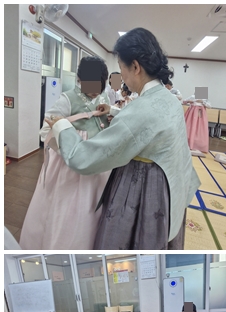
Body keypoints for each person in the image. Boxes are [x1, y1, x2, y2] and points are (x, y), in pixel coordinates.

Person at [44, 28, 200, 250]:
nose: (122, 77)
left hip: (143, 188)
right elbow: (145, 124)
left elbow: (83, 158)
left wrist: (61, 126)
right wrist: (115, 111)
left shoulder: (141, 109)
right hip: (170, 185)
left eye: (121, 69)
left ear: (135, 67)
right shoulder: (168, 99)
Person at [20, 56, 111, 250]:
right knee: (69, 208)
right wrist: (68, 143)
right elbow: (46, 130)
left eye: (99, 85)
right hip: (70, 164)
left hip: (97, 160)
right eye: (90, 84)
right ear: (80, 79)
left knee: (94, 204)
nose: (95, 90)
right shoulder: (67, 99)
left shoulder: (104, 99)